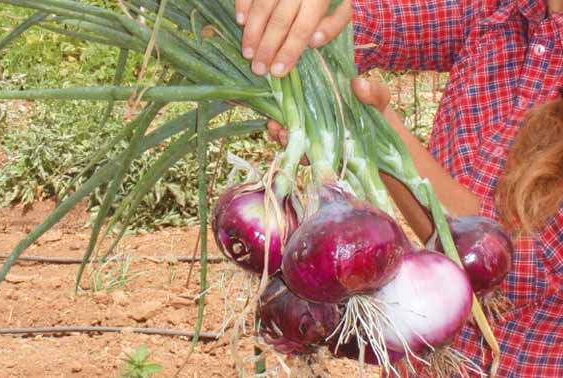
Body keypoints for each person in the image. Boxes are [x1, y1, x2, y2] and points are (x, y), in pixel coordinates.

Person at [235, 0, 563, 376]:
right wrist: (292, 23)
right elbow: (366, 22)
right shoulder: (503, 14)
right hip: (417, 357)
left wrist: (372, 131)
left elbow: (510, 264)